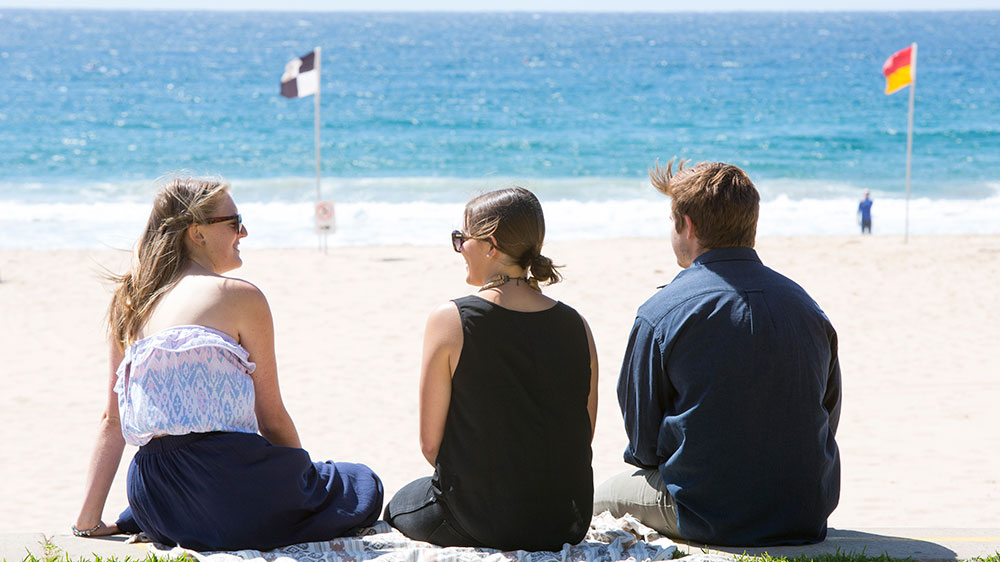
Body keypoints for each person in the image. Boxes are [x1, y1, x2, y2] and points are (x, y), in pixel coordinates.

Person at [73, 177, 383, 551]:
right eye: (234, 222)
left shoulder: (131, 302)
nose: (245, 232)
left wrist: (87, 522)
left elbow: (112, 421)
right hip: (225, 485)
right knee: (361, 484)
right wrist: (302, 483)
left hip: (154, 498)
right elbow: (271, 416)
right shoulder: (238, 296)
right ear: (197, 233)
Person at [594, 159, 841, 547]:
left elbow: (642, 447)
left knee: (600, 498)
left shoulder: (661, 314)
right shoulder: (807, 309)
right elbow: (826, 417)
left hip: (707, 515)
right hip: (804, 513)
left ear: (687, 226)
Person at [384, 187, 599, 552]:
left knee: (396, 506)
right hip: (566, 519)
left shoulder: (451, 319)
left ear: (490, 245)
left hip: (481, 520)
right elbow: (584, 433)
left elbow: (430, 445)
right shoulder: (577, 324)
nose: (458, 249)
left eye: (460, 239)